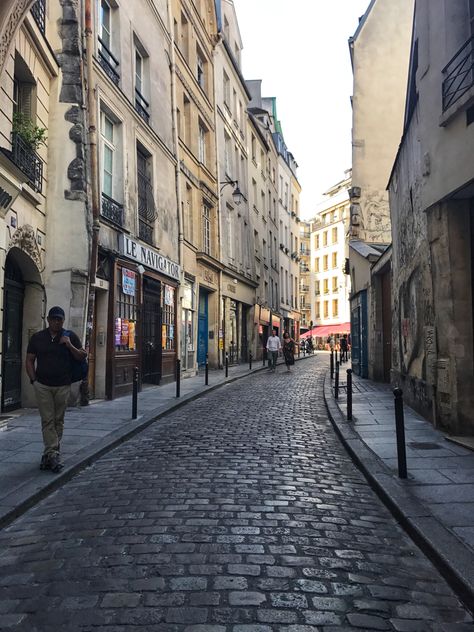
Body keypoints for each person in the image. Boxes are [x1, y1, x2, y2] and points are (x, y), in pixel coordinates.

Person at [25, 306, 87, 473]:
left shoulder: (69, 336)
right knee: (47, 419)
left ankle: (50, 454)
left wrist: (69, 346)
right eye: (54, 319)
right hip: (43, 385)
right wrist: (33, 380)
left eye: (60, 319)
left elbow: (82, 356)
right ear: (48, 320)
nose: (57, 322)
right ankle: (52, 452)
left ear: (63, 320)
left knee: (58, 419)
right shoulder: (38, 338)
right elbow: (29, 359)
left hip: (63, 384)